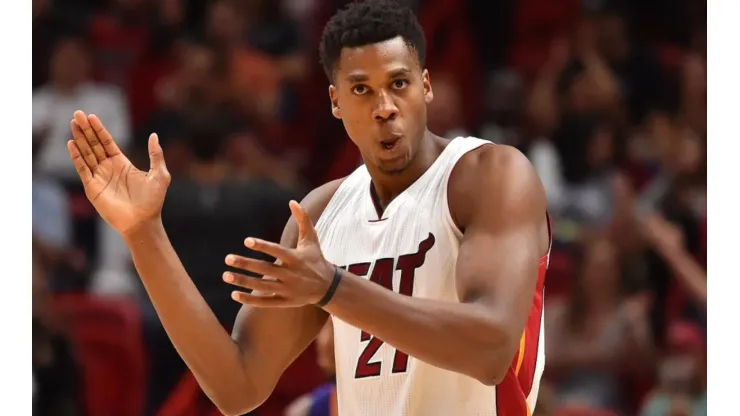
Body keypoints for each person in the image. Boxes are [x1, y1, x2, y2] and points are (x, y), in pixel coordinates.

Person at [65, 1, 551, 414]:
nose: (384, 105)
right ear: (336, 102)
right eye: (362, 89)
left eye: (398, 83)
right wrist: (143, 232)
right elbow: (237, 385)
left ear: (426, 87)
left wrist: (334, 288)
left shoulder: (489, 176)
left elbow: (490, 349)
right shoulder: (324, 213)